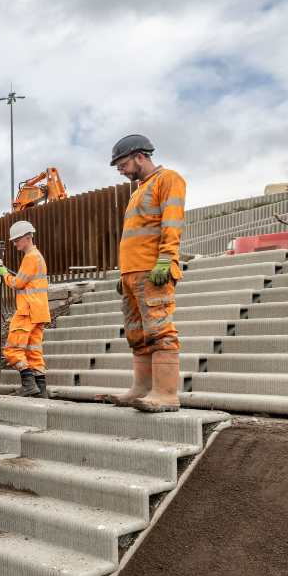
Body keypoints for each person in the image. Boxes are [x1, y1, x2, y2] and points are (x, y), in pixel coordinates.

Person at [110, 133, 186, 412]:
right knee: (137, 334)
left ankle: (166, 393)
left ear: (140, 157)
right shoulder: (138, 190)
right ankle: (142, 388)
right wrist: (124, 274)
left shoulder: (169, 179)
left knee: (159, 331)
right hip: (132, 274)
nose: (120, 170)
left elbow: (172, 221)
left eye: (123, 164)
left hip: (153, 270)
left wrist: (166, 259)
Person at [0, 221, 50, 397]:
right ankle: (41, 390)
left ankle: (28, 385)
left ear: (28, 238)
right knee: (34, 351)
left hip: (28, 310)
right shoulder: (38, 256)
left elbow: (17, 283)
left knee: (12, 349)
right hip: (40, 311)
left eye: (17, 239)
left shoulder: (30, 258)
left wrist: (4, 274)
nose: (14, 243)